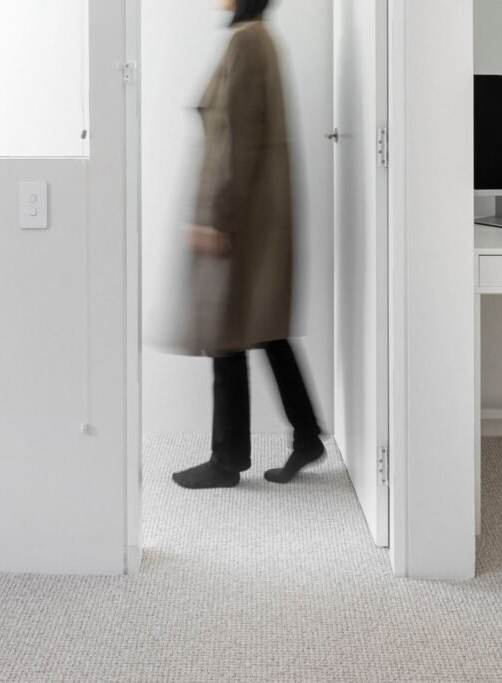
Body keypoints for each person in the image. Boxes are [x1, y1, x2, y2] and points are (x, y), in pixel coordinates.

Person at [173, 0, 325, 490]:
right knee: (261, 328)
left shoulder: (245, 42)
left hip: (239, 217)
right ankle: (305, 436)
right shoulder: (261, 38)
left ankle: (227, 460)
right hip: (257, 214)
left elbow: (232, 141)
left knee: (227, 332)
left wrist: (214, 216)